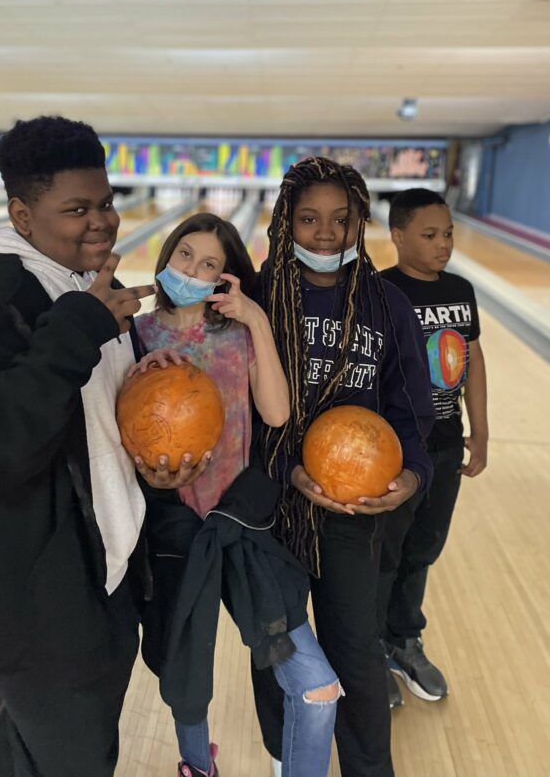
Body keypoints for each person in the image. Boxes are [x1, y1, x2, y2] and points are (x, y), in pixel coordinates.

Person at [0, 115, 204, 777]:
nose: (101, 221)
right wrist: (80, 327)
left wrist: (153, 452)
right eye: (75, 209)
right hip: (39, 599)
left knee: (32, 757)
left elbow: (89, 432)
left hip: (95, 578)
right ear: (23, 214)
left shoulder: (81, 286)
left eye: (105, 202)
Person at [134, 212, 340, 777]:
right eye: (184, 255)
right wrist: (138, 376)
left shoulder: (239, 335)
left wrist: (256, 320)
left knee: (317, 687)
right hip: (175, 528)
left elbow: (275, 412)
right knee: (187, 685)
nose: (193, 269)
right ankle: (198, 767)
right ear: (166, 256)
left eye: (210, 264)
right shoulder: (136, 336)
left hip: (242, 525)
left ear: (225, 278)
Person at [249, 157, 435, 777]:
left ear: (360, 221)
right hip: (272, 510)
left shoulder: (389, 306)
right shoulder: (260, 296)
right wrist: (287, 472)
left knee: (356, 650)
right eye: (308, 220)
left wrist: (409, 475)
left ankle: (366, 769)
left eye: (341, 219)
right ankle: (288, 759)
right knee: (276, 646)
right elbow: (237, 412)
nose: (325, 233)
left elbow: (411, 412)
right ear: (285, 222)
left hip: (352, 512)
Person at [378, 188, 488, 706]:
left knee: (423, 548)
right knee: (385, 552)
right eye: (429, 235)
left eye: (448, 234)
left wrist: (480, 429)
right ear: (398, 236)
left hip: (444, 443)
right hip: (395, 450)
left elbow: (472, 359)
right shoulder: (379, 292)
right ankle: (368, 645)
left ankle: (403, 638)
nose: (443, 244)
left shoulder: (461, 291)